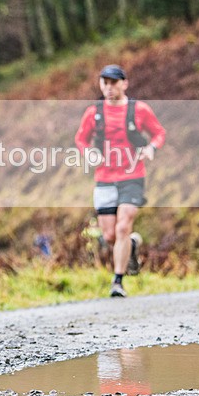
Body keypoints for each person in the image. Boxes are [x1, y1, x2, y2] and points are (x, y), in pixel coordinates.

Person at [75, 64, 166, 298]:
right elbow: (81, 140)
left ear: (124, 84)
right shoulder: (93, 113)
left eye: (113, 82)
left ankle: (118, 282)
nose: (109, 87)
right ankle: (132, 246)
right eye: (104, 82)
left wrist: (151, 148)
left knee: (124, 226)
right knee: (110, 236)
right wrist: (89, 153)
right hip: (104, 177)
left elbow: (159, 134)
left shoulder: (139, 110)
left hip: (132, 175)